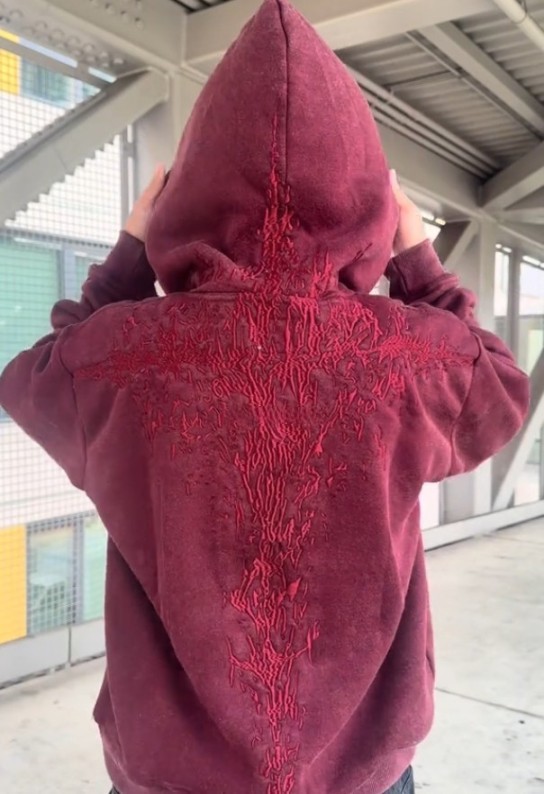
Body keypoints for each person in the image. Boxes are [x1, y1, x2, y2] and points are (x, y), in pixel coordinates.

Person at [0, 1, 529, 793]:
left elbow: (33, 379)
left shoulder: (123, 355)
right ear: (367, 199)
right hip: (363, 771)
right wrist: (419, 259)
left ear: (187, 189)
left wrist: (129, 255)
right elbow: (501, 386)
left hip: (171, 776)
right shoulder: (413, 356)